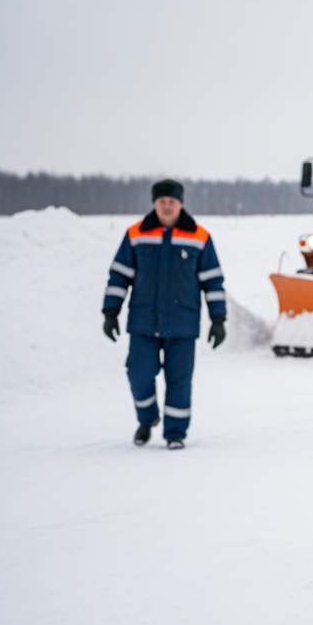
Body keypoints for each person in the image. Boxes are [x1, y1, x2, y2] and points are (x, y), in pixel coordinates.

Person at [102, 179, 227, 450]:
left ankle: (175, 433)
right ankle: (147, 419)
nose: (167, 206)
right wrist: (111, 311)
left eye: (172, 201)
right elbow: (120, 275)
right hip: (143, 322)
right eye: (162, 202)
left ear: (181, 204)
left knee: (179, 380)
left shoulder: (199, 236)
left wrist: (218, 319)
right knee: (138, 373)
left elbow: (212, 280)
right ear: (154, 204)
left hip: (183, 323)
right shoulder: (136, 234)